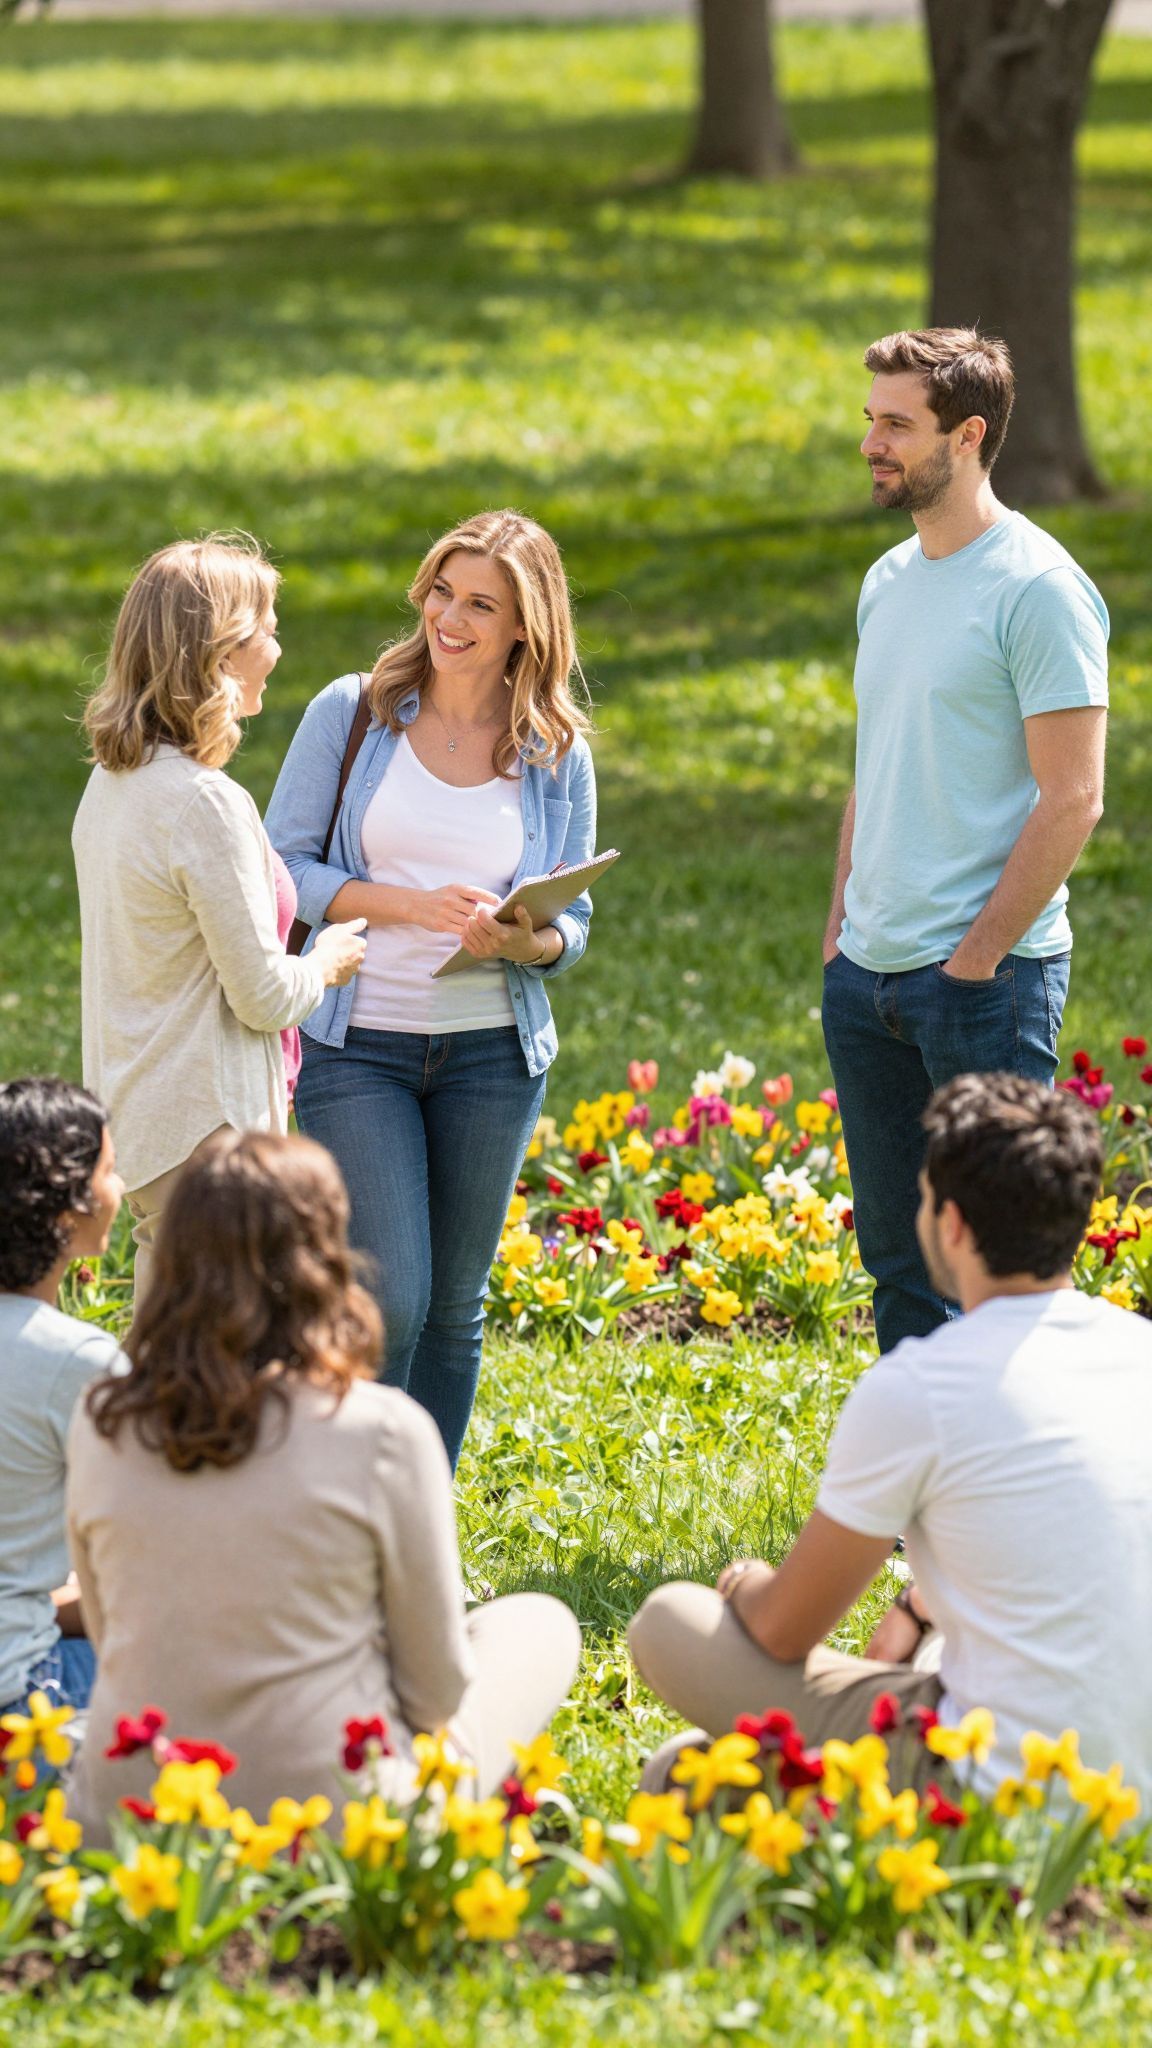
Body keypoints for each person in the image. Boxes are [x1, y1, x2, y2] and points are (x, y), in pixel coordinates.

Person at [630, 1075, 1152, 1815]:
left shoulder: (922, 1385)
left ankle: (747, 1793)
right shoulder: (1138, 1351)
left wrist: (741, 1580)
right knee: (936, 1652)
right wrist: (917, 1603)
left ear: (952, 1224)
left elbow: (782, 1632)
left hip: (990, 1793)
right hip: (1134, 1788)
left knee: (669, 1625)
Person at [66, 1130, 580, 1837]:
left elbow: (109, 1632)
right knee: (538, 1626)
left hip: (132, 1810)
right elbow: (435, 1694)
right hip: (336, 1819)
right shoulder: (382, 1431)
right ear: (325, 1259)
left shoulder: (103, 1423)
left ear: (176, 1258)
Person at [265, 510, 597, 1469]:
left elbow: (572, 924)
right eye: (443, 592)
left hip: (492, 1054)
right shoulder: (356, 711)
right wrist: (410, 907)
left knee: (454, 1307)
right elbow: (285, 868)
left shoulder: (556, 751)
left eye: (481, 605)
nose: (450, 618)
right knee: (393, 1296)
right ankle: (345, 1510)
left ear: (525, 626)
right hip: (357, 1046)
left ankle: (418, 1521)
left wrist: (525, 941)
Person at [821, 328, 1109, 1354]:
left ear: (969, 435)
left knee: (1005, 1266)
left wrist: (975, 960)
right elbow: (877, 764)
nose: (872, 443)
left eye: (897, 424)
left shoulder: (1037, 588)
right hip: (867, 979)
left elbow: (1074, 798)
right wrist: (839, 935)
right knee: (900, 1264)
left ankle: (1017, 1455)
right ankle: (922, 1458)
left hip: (984, 985)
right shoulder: (887, 580)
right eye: (871, 420)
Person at [71, 535, 367, 1309]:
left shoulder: (114, 783)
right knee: (210, 1350)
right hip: (207, 1126)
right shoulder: (205, 802)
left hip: (143, 1113)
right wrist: (327, 960)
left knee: (175, 1330)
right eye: (268, 629)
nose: (279, 648)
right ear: (222, 652)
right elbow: (264, 996)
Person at [0, 1079, 125, 1729]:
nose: (119, 1186)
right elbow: (149, 1564)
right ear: (68, 1206)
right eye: (109, 1169)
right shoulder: (78, 1359)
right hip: (24, 1696)